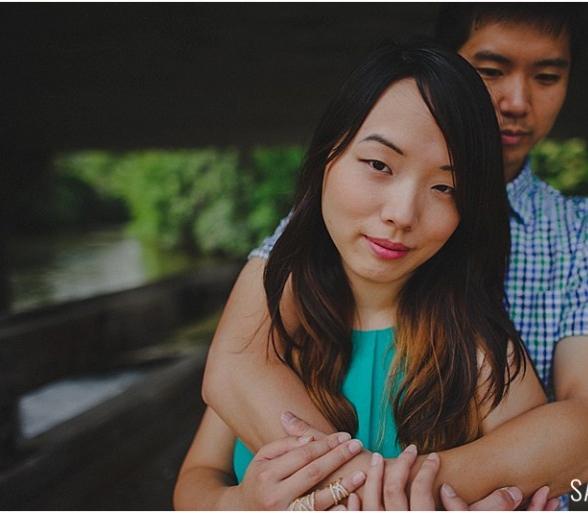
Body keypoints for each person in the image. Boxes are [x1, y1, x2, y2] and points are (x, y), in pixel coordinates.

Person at [202, 3, 588, 508]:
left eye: (546, 76)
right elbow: (236, 365)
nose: (516, 100)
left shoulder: (580, 240)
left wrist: (391, 489)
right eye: (491, 71)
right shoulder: (334, 230)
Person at [174, 38, 550, 510]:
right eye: (378, 165)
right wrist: (244, 504)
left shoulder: (477, 350)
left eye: (445, 187)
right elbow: (196, 480)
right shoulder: (273, 326)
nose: (402, 213)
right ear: (328, 156)